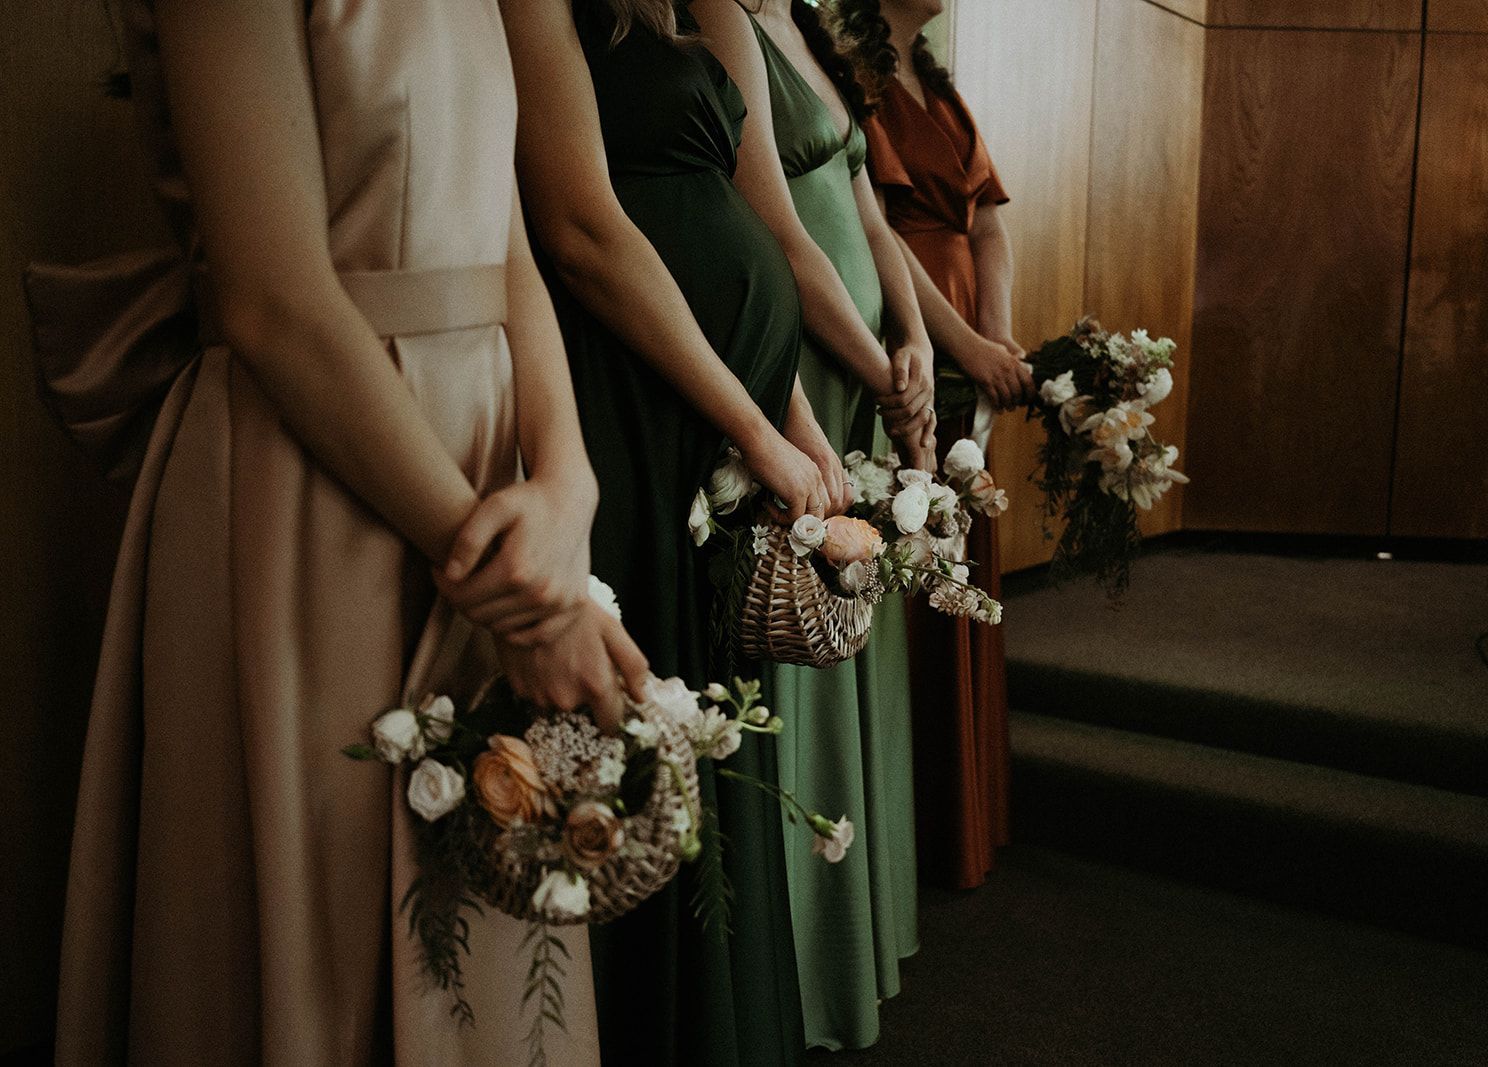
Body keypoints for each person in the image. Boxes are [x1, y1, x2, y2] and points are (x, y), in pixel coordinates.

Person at [34, 1, 651, 1063]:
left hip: (487, 457)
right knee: (314, 915)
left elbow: (508, 247)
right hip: (314, 476)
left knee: (479, 882)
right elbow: (274, 303)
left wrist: (565, 481)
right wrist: (503, 577)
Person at [501, 1, 837, 1062]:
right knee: (645, 716)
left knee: (711, 716)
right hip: (628, 397)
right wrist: (754, 421)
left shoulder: (692, 8)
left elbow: (753, 233)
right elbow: (583, 230)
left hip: (716, 413)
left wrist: (798, 427)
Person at [691, 0, 930, 1050]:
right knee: (800, 622)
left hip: (869, 360)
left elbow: (869, 212)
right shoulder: (717, 11)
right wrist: (881, 376)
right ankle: (803, 957)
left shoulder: (803, 24)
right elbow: (776, 229)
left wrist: (914, 340)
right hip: (812, 372)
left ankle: (856, 932)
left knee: (854, 630)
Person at [839, 0, 1035, 890]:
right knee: (921, 550)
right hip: (908, 327)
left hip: (969, 341)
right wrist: (958, 343)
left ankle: (969, 812)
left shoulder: (941, 88)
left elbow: (987, 223)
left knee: (964, 547)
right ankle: (920, 821)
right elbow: (873, 230)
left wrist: (998, 339)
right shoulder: (857, 69)